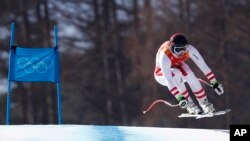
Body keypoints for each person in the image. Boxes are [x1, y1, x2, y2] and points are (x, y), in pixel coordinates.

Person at [154, 33, 224, 114]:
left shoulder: (190, 50)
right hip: (161, 75)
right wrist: (180, 98)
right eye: (178, 50)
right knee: (176, 73)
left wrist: (214, 82)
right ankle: (190, 104)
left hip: (177, 67)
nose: (181, 53)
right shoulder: (165, 55)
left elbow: (203, 65)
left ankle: (204, 103)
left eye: (183, 49)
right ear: (172, 48)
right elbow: (169, 80)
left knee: (189, 73)